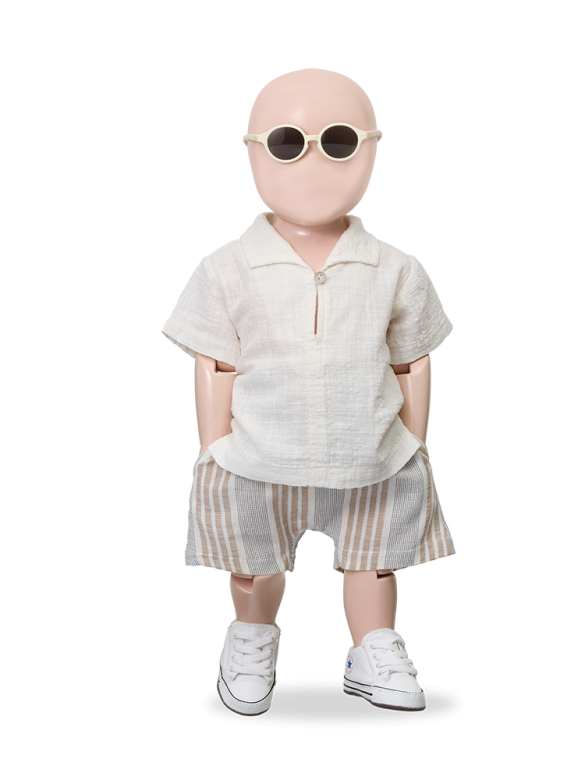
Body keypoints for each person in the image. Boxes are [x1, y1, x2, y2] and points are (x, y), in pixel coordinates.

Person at [162, 68, 455, 715]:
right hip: (257, 454)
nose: (314, 161)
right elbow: (215, 364)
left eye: (340, 141)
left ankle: (372, 646)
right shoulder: (227, 268)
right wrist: (215, 449)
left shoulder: (396, 269)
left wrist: (413, 445)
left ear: (372, 149)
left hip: (372, 454)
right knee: (253, 562)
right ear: (254, 151)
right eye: (288, 142)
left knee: (375, 560)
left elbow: (412, 363)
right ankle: (251, 635)